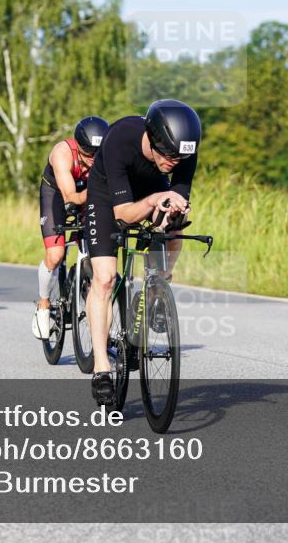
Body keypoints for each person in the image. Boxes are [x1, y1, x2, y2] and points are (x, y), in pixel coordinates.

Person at [83, 100, 201, 404]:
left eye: (182, 157)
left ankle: (157, 287)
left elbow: (177, 196)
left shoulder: (183, 152)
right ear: (152, 138)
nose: (176, 162)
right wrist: (154, 201)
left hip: (151, 190)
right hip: (108, 197)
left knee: (175, 225)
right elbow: (122, 214)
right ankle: (101, 368)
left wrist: (173, 207)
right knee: (106, 278)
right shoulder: (121, 139)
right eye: (169, 155)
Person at [33, 116, 109, 339]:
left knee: (98, 255)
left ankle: (87, 290)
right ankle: (44, 303)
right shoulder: (62, 154)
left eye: (99, 154)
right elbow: (70, 196)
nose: (95, 161)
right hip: (58, 195)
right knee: (56, 255)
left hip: (88, 195)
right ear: (79, 147)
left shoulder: (102, 155)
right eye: (89, 155)